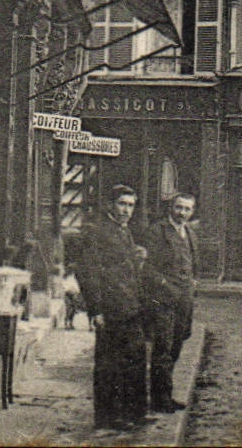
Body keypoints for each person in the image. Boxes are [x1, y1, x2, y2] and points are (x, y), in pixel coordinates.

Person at [74, 185, 149, 432]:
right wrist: (95, 310)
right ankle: (109, 416)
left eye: (130, 205)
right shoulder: (96, 232)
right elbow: (88, 272)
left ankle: (134, 413)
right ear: (109, 204)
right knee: (110, 365)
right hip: (110, 309)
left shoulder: (123, 231)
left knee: (135, 360)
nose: (126, 209)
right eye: (121, 204)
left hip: (130, 307)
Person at [141, 192, 199, 414]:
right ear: (171, 208)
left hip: (184, 300)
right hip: (164, 299)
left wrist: (194, 282)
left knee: (178, 342)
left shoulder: (190, 233)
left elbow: (194, 262)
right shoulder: (157, 231)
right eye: (178, 207)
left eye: (187, 209)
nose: (182, 212)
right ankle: (160, 398)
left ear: (192, 211)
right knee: (163, 348)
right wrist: (165, 285)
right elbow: (148, 268)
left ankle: (166, 392)